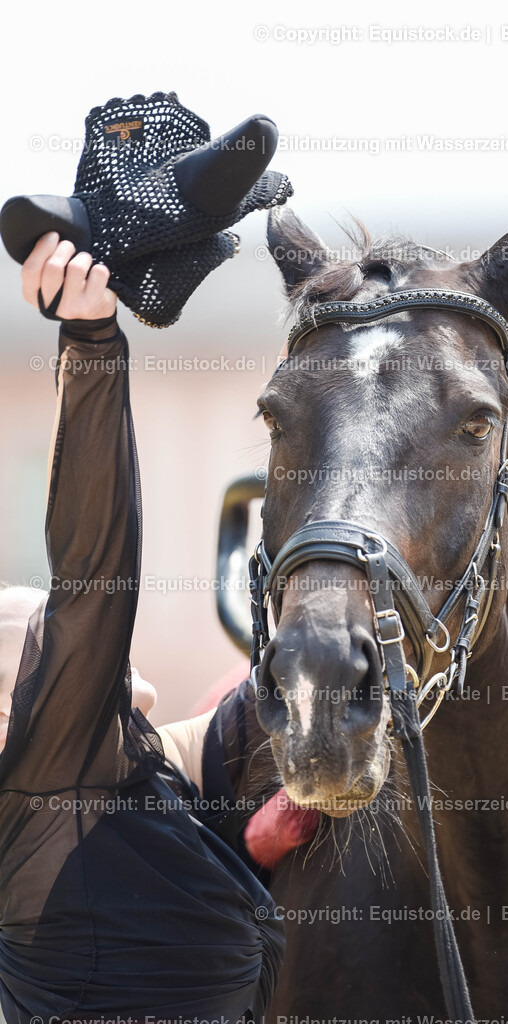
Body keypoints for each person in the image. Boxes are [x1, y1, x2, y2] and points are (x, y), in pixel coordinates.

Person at [0, 233, 283, 1023]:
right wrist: (90, 339)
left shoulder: (116, 795)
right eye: (43, 638)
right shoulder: (48, 780)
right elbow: (92, 567)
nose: (71, 634)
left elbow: (241, 722)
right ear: (4, 724)